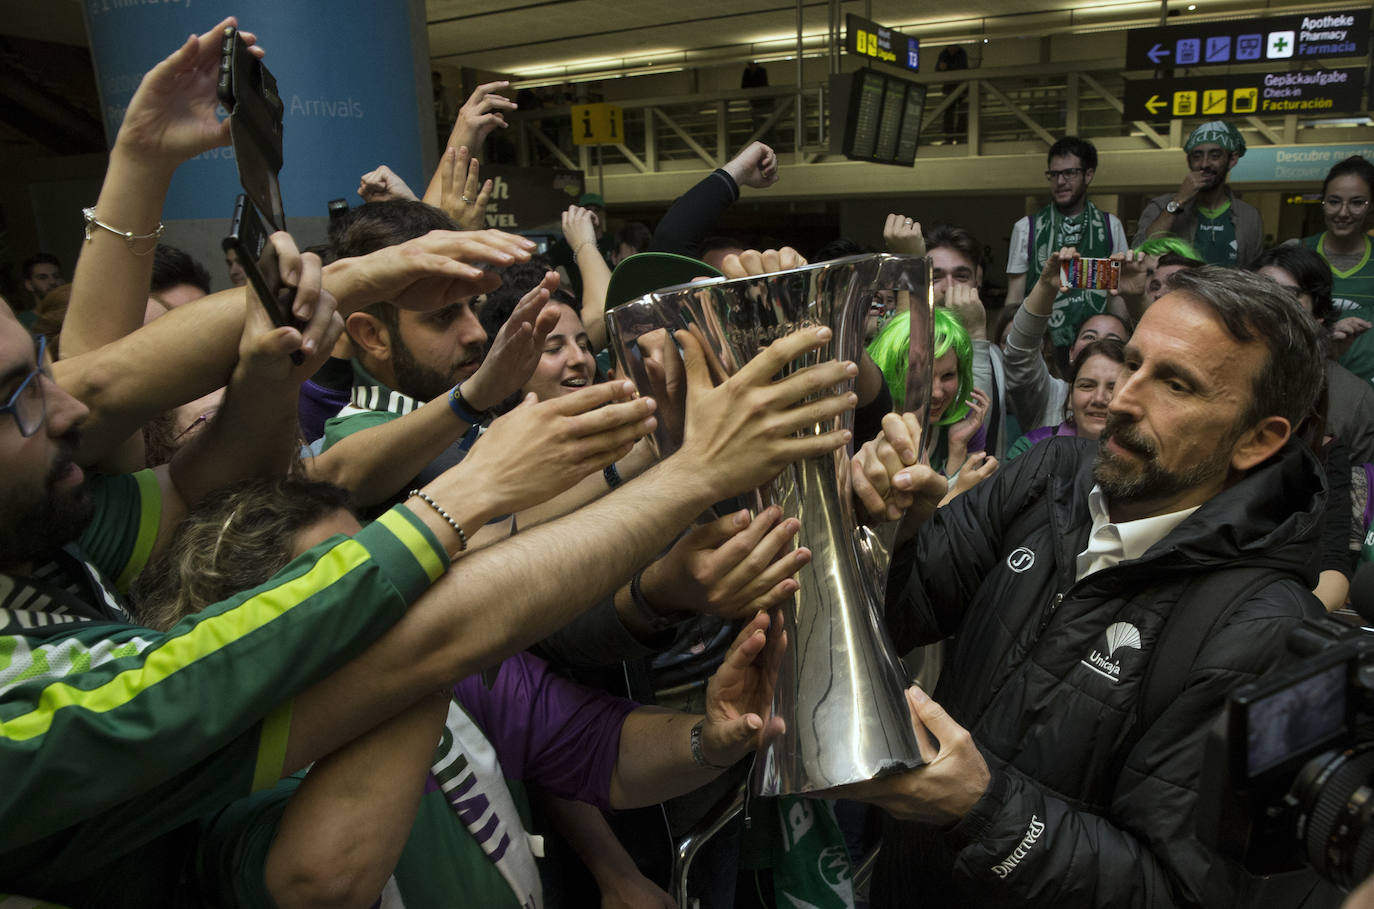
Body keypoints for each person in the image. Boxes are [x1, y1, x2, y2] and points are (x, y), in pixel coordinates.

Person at [849, 265, 1328, 906]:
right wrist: (888, 532)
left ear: (1257, 438)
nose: (1124, 399)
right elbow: (901, 616)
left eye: (1176, 384)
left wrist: (984, 809)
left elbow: (1180, 893)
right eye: (1132, 364)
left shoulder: (1265, 632)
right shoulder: (1050, 474)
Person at [128, 476, 788, 908]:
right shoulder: (223, 762)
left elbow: (604, 751)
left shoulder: (456, 681)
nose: (389, 598)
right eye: (350, 587)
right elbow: (320, 882)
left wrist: (708, 736)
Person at [1005, 137, 1129, 362]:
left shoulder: (1111, 226)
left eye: (1069, 173)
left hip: (1096, 350)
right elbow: (1014, 300)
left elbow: (1116, 296)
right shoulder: (1026, 229)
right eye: (1053, 174)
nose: (1060, 181)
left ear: (1088, 175)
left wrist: (1124, 346)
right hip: (1041, 349)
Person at [1004, 247, 1131, 435]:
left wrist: (1135, 296)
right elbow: (1019, 353)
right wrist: (1046, 287)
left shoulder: (1136, 400)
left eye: (1112, 341)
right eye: (1089, 337)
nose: (1098, 347)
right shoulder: (1051, 396)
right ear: (1071, 352)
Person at [1134, 120, 1264, 267]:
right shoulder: (1160, 206)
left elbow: (1256, 273)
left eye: (1214, 156)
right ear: (1188, 161)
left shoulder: (1250, 216)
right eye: (1197, 156)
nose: (1204, 164)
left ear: (1232, 160)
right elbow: (1140, 252)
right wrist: (1179, 200)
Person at [1301, 155, 1374, 382]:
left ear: (1371, 205)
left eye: (1356, 202)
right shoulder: (1299, 253)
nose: (1343, 213)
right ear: (1323, 203)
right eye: (1334, 201)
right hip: (1310, 381)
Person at [1006, 337, 1123, 458]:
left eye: (1113, 388)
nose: (1099, 399)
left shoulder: (1143, 459)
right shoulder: (1031, 448)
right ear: (1070, 396)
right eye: (1087, 386)